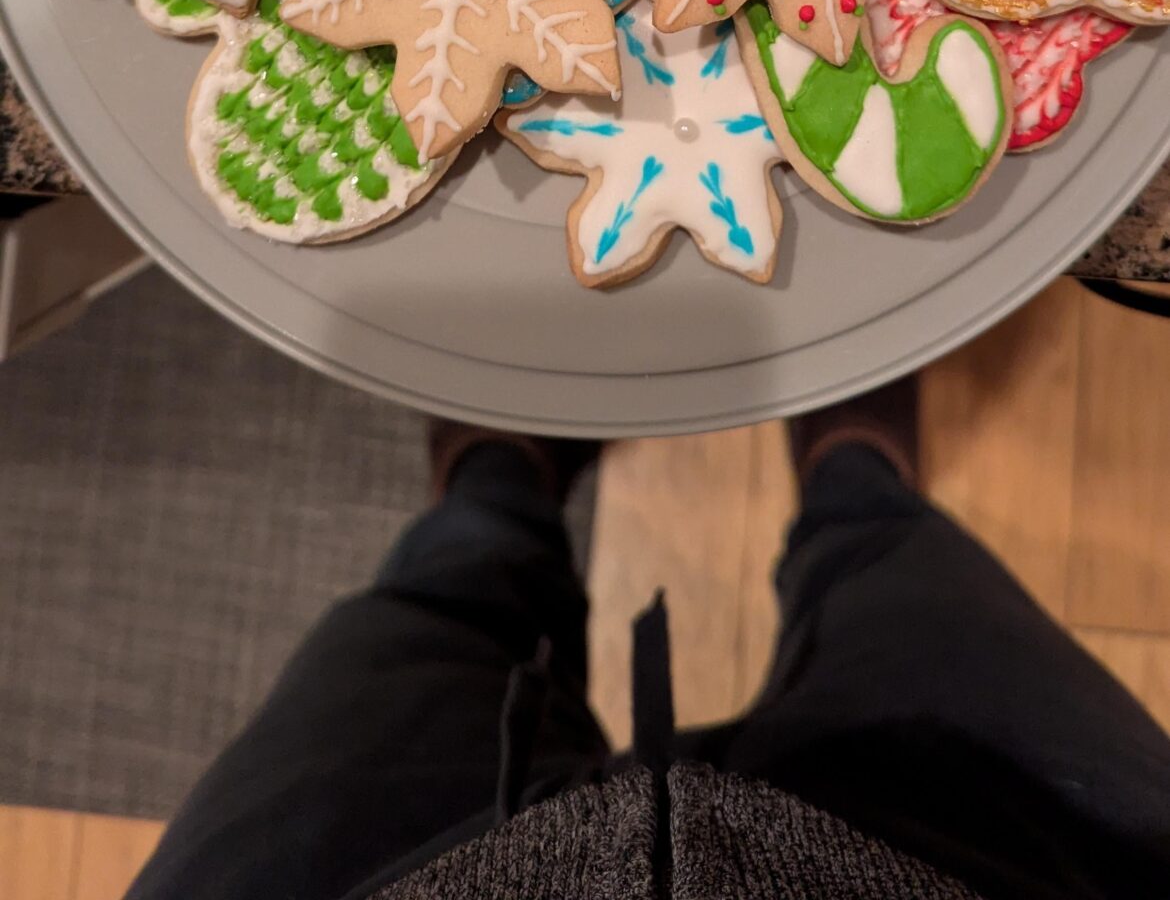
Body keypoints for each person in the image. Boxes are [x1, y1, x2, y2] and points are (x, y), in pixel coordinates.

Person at [127, 377, 1170, 900]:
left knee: (445, 602)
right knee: (901, 579)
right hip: (986, 865)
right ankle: (856, 467)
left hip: (365, 878)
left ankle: (500, 473)